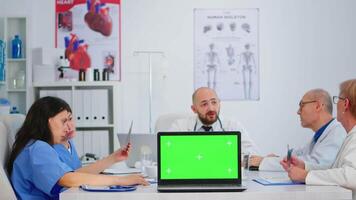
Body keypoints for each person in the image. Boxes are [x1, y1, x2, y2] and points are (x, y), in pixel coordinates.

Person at [7, 96, 148, 199]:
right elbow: (68, 179)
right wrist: (121, 181)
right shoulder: (37, 149)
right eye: (63, 121)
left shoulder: (47, 145)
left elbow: (75, 174)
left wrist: (113, 158)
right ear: (45, 123)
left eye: (70, 119)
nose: (69, 126)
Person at [281, 79, 356, 200]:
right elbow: (335, 169)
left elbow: (351, 176)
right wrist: (305, 166)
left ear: (346, 104)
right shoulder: (350, 135)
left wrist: (306, 175)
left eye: (338, 100)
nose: (335, 105)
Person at [250, 89, 346, 171]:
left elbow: (315, 164)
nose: (298, 111)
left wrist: (265, 162)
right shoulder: (321, 135)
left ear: (317, 106)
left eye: (302, 105)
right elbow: (298, 154)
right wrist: (274, 159)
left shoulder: (337, 133)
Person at [170, 87, 259, 154]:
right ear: (194, 109)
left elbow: (252, 153)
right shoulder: (179, 126)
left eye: (214, 102)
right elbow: (169, 153)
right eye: (204, 104)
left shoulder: (233, 126)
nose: (211, 108)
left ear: (219, 103)